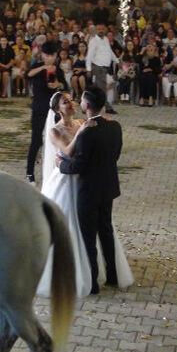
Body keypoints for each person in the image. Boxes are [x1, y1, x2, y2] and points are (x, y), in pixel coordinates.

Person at [56, 87, 128, 295]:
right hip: (108, 187)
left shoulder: (87, 132)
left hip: (88, 191)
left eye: (81, 100)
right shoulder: (115, 127)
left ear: (87, 106)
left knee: (88, 237)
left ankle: (93, 282)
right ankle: (113, 275)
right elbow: (115, 155)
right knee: (106, 231)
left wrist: (61, 165)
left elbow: (78, 166)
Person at [25, 52, 66, 183]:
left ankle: (57, 169)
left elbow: (65, 85)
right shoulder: (37, 67)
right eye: (47, 55)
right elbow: (27, 74)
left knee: (58, 139)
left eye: (52, 55)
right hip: (39, 108)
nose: (49, 58)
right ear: (43, 55)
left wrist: (58, 84)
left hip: (54, 110)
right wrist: (43, 68)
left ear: (55, 56)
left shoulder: (58, 70)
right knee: (36, 140)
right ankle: (29, 173)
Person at [87, 23, 118, 113]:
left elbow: (110, 52)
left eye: (102, 29)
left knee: (98, 89)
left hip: (105, 68)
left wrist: (117, 60)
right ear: (96, 30)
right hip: (98, 67)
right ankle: (107, 107)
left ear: (105, 30)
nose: (101, 30)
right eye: (99, 29)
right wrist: (89, 69)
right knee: (102, 88)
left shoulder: (106, 39)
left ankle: (90, 106)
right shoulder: (93, 41)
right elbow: (89, 56)